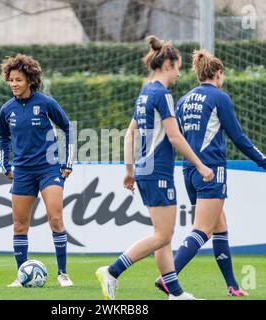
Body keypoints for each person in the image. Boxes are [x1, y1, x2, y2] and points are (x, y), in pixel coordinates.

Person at [95, 36, 214, 300]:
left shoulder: (144, 93)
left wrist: (129, 171)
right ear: (168, 64)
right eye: (178, 67)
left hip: (145, 170)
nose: (179, 73)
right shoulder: (162, 94)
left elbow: (129, 135)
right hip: (158, 172)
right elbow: (174, 137)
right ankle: (112, 271)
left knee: (164, 235)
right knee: (163, 235)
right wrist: (200, 165)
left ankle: (175, 293)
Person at [155, 49, 266, 297]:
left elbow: (174, 137)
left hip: (189, 171)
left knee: (219, 227)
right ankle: (168, 277)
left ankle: (232, 285)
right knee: (203, 230)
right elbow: (238, 137)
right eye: (223, 74)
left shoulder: (183, 99)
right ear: (218, 73)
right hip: (211, 171)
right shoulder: (219, 98)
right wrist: (264, 162)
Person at [0, 54, 75, 287]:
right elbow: (3, 138)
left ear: (30, 80)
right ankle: (21, 276)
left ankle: (62, 273)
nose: (13, 84)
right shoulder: (7, 110)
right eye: (11, 80)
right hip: (22, 172)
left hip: (48, 169)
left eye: (18, 80)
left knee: (55, 218)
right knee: (20, 226)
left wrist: (67, 163)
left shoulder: (45, 103)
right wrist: (5, 166)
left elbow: (68, 127)